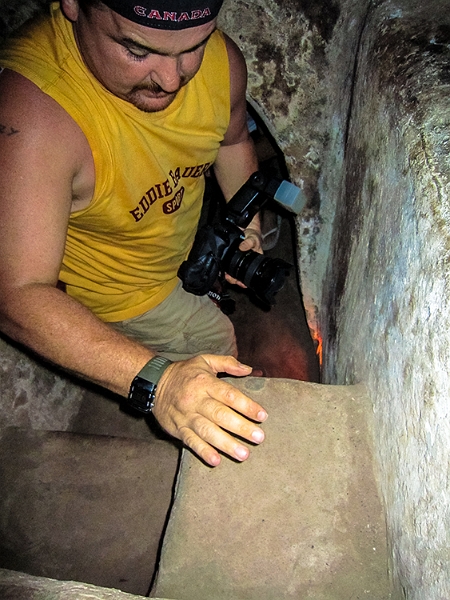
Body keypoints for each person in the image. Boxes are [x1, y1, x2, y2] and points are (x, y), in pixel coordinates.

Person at [0, 0, 268, 467]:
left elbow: (233, 140)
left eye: (194, 47)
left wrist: (250, 230)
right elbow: (17, 293)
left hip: (171, 249)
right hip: (121, 292)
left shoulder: (224, 60)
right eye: (136, 49)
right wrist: (160, 384)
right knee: (217, 339)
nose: (172, 80)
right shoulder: (34, 116)